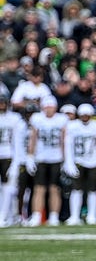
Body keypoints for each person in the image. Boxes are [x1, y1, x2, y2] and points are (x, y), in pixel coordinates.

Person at [24, 96, 68, 227]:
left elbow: (64, 140)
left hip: (56, 158)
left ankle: (54, 216)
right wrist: (30, 156)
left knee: (55, 189)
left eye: (51, 106)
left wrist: (66, 159)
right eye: (47, 106)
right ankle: (37, 216)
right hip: (41, 158)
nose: (49, 109)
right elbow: (33, 138)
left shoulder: (61, 119)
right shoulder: (37, 119)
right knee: (39, 189)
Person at [63, 104, 96, 225]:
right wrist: (69, 162)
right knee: (76, 189)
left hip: (93, 161)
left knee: (93, 189)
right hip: (78, 161)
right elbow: (68, 145)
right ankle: (74, 216)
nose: (85, 117)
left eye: (87, 115)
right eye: (82, 115)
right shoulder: (72, 126)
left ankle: (92, 216)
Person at [0, 94, 27, 227]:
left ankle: (5, 216)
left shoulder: (14, 119)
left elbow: (18, 142)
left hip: (8, 155)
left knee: (9, 188)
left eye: (3, 103)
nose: (1, 106)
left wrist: (16, 161)